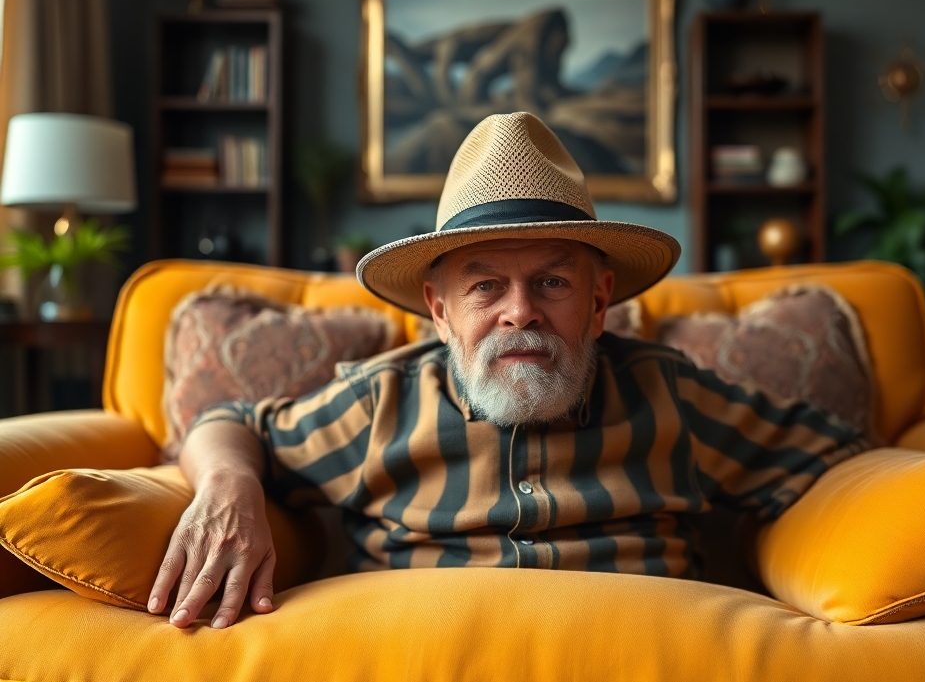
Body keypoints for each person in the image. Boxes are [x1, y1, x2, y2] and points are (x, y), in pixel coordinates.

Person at [148, 112, 868, 630]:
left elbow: (837, 458)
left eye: (552, 282)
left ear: (599, 301)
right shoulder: (381, 403)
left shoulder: (671, 394)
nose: (520, 313)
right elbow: (230, 424)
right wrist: (229, 486)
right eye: (486, 286)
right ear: (440, 311)